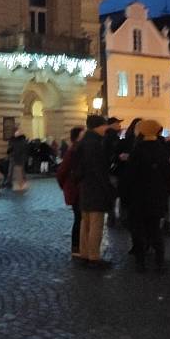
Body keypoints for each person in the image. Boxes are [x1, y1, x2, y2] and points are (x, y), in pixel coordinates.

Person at [123, 120, 170, 272]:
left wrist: (125, 197)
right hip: (157, 196)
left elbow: (129, 176)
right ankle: (160, 262)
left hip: (138, 197)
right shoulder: (162, 149)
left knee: (138, 230)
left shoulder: (138, 149)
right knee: (155, 229)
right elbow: (167, 174)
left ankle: (140, 262)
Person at [75, 115, 113, 269]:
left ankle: (85, 253)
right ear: (98, 126)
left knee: (85, 223)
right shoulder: (95, 143)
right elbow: (99, 169)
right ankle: (94, 257)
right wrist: (107, 188)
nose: (106, 129)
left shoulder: (83, 142)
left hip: (85, 187)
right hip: (96, 188)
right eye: (104, 126)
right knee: (96, 224)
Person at [56, 126, 84, 257]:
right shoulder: (73, 150)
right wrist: (67, 187)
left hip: (76, 189)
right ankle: (76, 247)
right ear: (78, 136)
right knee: (79, 218)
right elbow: (61, 172)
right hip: (76, 190)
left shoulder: (76, 149)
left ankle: (78, 246)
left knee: (80, 218)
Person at [103, 117, 124, 227]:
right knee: (113, 195)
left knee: (112, 195)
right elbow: (111, 153)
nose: (119, 125)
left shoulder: (109, 135)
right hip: (112, 170)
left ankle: (112, 218)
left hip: (110, 170)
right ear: (111, 124)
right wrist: (118, 157)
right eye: (117, 123)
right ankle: (112, 219)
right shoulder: (111, 137)